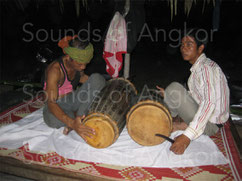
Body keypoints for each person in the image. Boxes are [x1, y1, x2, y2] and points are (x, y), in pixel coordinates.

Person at [156, 28, 230, 155]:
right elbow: (199, 96)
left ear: (200, 48)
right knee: (173, 90)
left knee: (174, 88)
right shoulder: (200, 68)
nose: (183, 48)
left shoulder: (206, 69)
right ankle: (176, 121)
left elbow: (208, 103)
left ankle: (179, 124)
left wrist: (186, 137)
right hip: (208, 119)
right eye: (182, 44)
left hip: (211, 125)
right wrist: (168, 95)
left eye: (189, 44)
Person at [43, 36, 106, 141]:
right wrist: (72, 122)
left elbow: (83, 78)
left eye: (85, 64)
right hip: (57, 104)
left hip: (73, 99)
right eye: (80, 64)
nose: (83, 67)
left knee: (98, 79)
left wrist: (103, 86)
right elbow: (51, 103)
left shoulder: (76, 65)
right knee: (51, 120)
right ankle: (76, 121)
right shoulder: (54, 70)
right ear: (68, 57)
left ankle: (79, 117)